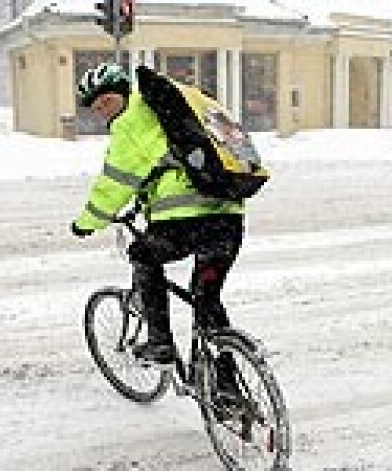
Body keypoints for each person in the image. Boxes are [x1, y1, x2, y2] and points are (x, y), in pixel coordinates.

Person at [71, 63, 243, 398]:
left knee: (143, 255)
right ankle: (229, 389)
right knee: (206, 300)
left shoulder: (131, 121)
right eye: (97, 108)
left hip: (187, 222)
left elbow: (114, 183)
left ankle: (160, 344)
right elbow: (162, 168)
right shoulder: (166, 113)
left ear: (124, 93)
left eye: (106, 101)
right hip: (228, 218)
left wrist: (86, 223)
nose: (104, 111)